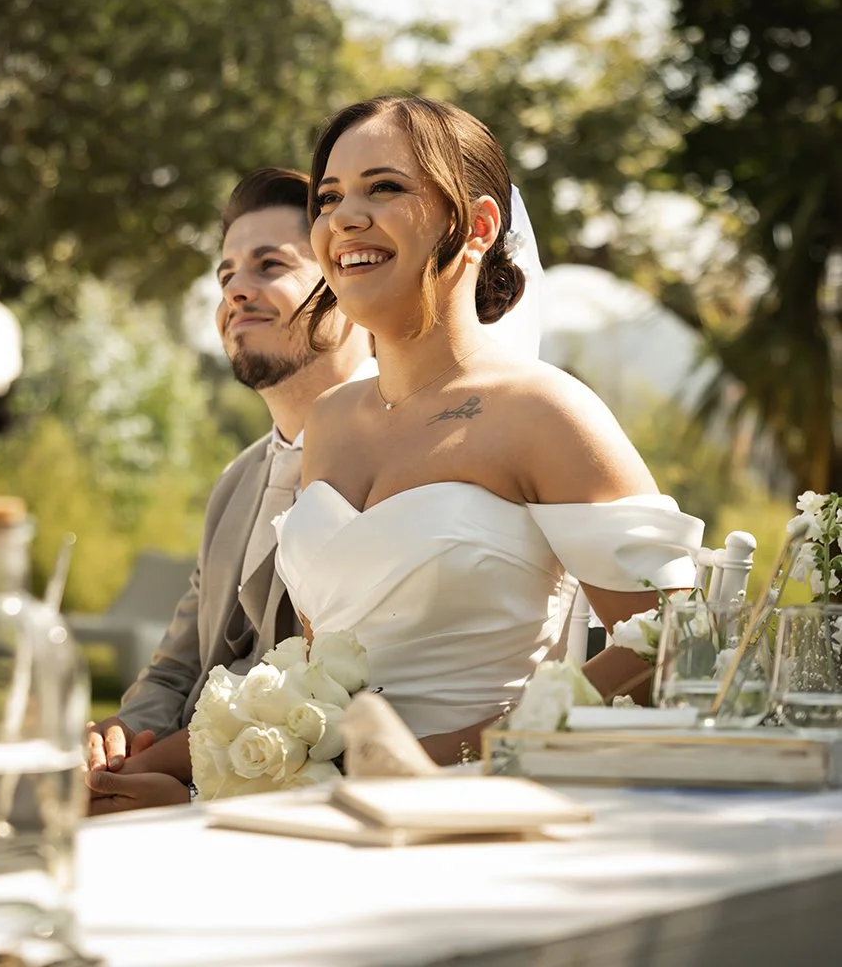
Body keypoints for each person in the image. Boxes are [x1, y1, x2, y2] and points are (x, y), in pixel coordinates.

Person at [85, 162, 549, 809]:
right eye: (226, 275)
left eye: (269, 266)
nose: (235, 292)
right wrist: (125, 739)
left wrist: (188, 788)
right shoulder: (236, 481)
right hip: (193, 776)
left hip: (312, 791)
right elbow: (177, 667)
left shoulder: (423, 464)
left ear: (348, 279)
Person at [273, 94, 702, 764]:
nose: (344, 219)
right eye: (327, 200)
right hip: (320, 804)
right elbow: (318, 657)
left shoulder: (541, 411)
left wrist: (472, 751)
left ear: (476, 227)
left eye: (384, 188)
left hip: (483, 804)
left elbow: (678, 637)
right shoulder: (329, 422)